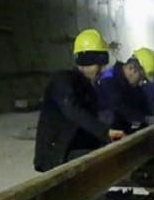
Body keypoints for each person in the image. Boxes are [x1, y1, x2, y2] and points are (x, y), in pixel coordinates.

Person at [34, 29, 123, 172]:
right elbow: (73, 110)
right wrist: (105, 132)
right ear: (85, 61)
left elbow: (95, 118)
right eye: (99, 64)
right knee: (106, 162)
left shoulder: (89, 88)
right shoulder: (62, 80)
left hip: (74, 148)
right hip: (56, 155)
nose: (101, 70)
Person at [97, 47, 154, 131]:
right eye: (142, 78)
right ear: (132, 69)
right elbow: (119, 107)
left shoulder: (129, 83)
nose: (141, 82)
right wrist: (145, 118)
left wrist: (151, 116)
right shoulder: (108, 79)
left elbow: (142, 103)